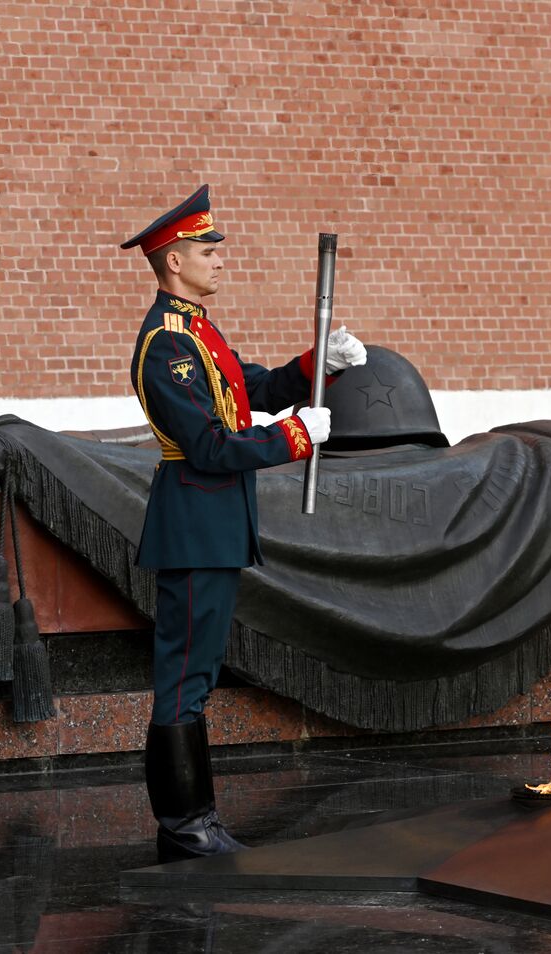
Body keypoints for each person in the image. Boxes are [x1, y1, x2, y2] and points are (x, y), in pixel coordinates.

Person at [122, 185, 367, 860]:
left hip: (216, 519)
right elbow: (207, 445)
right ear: (173, 262)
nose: (218, 261)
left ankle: (197, 819)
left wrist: (319, 366)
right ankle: (184, 826)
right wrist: (293, 439)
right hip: (195, 520)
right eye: (207, 251)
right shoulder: (165, 344)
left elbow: (249, 390)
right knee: (184, 677)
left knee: (195, 673)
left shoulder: (198, 332)